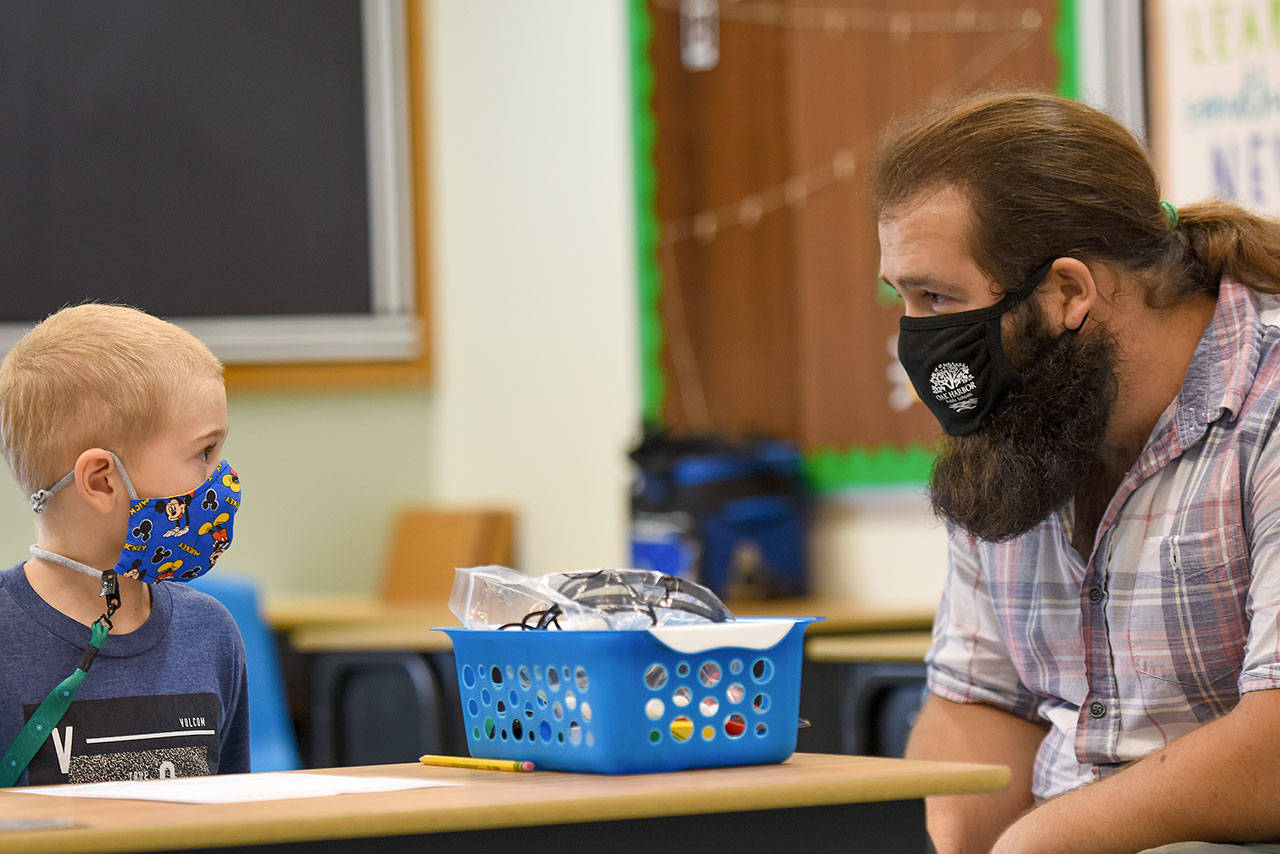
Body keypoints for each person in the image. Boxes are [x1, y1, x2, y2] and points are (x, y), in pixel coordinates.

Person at [874, 91, 1280, 854]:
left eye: (937, 297)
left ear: (1067, 292)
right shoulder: (1013, 426)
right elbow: (978, 701)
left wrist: (1042, 842)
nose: (918, 342)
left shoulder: (1268, 408)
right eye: (901, 297)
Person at [0, 304, 248, 786]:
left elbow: (236, 821)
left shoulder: (211, 633)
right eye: (204, 452)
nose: (224, 478)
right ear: (102, 481)